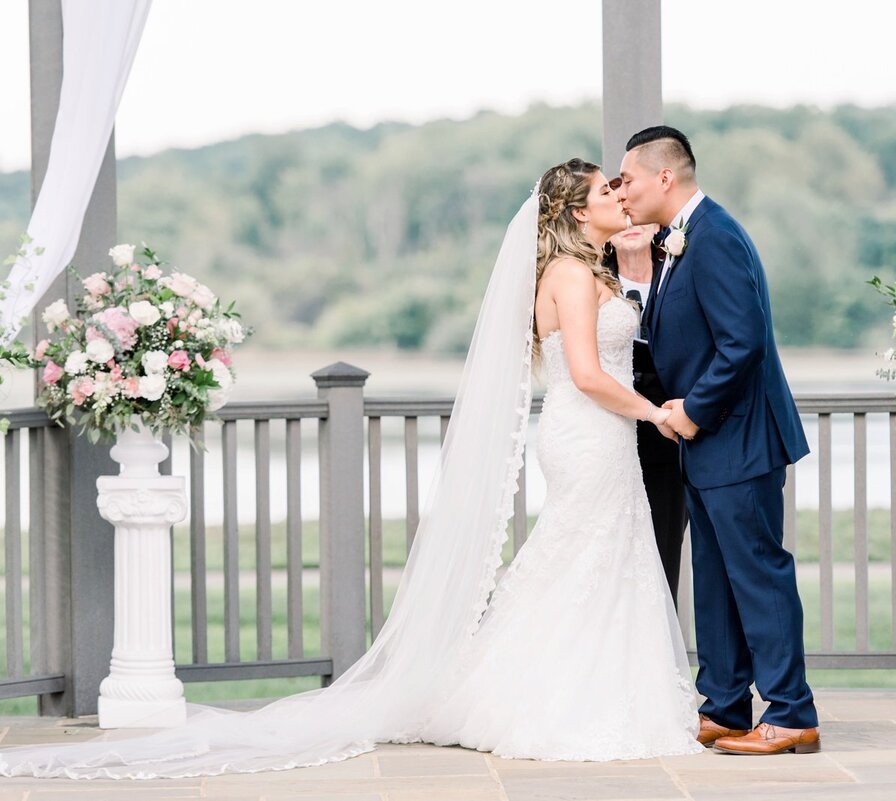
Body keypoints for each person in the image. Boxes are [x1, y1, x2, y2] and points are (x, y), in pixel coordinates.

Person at [0, 159, 702, 779]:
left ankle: (599, 686)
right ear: (578, 209)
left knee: (600, 557)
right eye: (606, 189)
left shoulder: (593, 270)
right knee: (581, 555)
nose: (619, 195)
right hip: (592, 430)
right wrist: (657, 413)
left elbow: (610, 347)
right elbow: (583, 372)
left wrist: (636, 276)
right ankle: (555, 697)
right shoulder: (573, 274)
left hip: (600, 434)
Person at [617, 126, 821, 756]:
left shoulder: (716, 237)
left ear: (664, 178)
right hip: (707, 446)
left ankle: (790, 713)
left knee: (757, 573)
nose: (621, 192)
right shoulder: (679, 243)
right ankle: (726, 707)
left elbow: (743, 343)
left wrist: (693, 412)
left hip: (737, 438)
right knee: (715, 578)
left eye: (626, 179)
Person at [603, 223, 688, 603]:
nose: (630, 226)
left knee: (661, 551)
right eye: (619, 216)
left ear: (656, 225)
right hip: (611, 431)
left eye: (635, 215)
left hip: (671, 436)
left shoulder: (679, 272)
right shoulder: (592, 281)